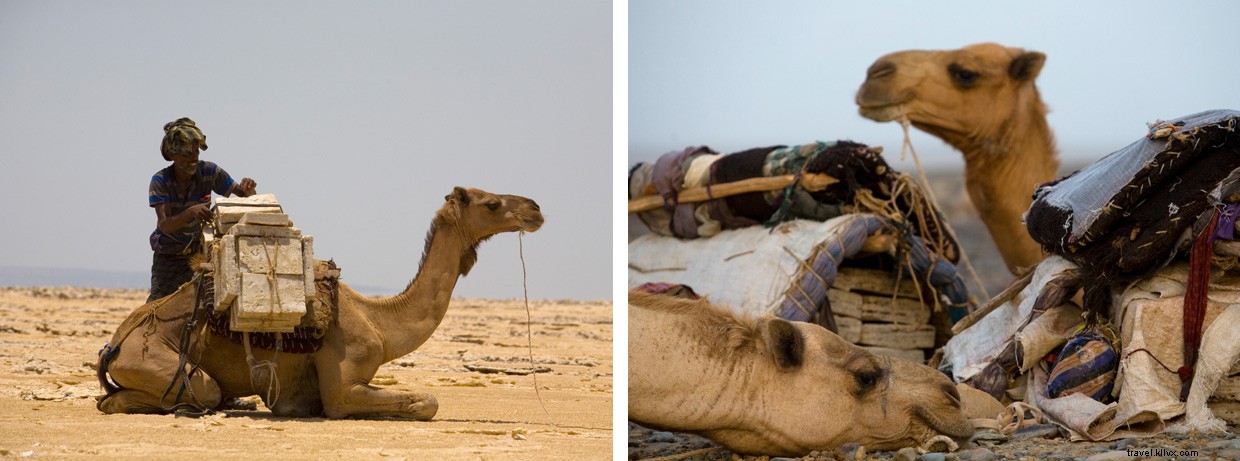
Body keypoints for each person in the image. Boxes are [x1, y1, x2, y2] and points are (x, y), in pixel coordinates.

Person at [147, 117, 257, 302]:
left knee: (205, 306)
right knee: (159, 305)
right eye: (187, 154)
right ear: (172, 154)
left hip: (199, 254)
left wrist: (249, 190)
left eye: (196, 152)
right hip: (169, 256)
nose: (194, 158)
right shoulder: (160, 181)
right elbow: (164, 225)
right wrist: (191, 212)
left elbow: (244, 195)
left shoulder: (209, 171)